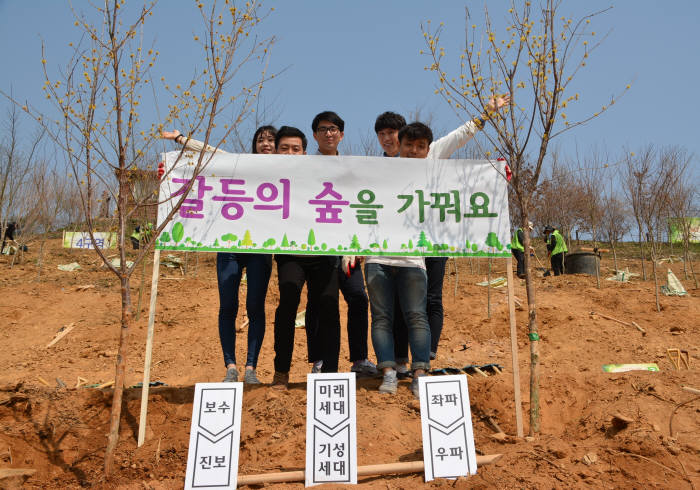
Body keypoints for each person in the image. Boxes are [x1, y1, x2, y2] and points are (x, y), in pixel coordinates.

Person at [377, 95, 511, 372]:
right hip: (401, 246)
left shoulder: (433, 153)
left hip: (435, 239)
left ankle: (426, 356)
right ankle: (402, 361)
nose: (413, 150)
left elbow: (460, 136)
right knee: (404, 304)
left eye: (418, 146)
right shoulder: (383, 167)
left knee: (431, 299)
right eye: (406, 144)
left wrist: (487, 112)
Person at [161, 125, 277, 384]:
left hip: (260, 248)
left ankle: (251, 369)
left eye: (271, 140)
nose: (266, 144)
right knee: (228, 306)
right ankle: (231, 366)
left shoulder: (283, 171)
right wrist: (181, 139)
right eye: (261, 139)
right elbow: (210, 153)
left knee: (255, 307)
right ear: (254, 144)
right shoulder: (239, 165)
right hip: (230, 245)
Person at [304, 111, 377, 378]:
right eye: (323, 129)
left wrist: (359, 246)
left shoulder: (352, 169)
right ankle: (321, 359)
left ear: (342, 134)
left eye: (333, 128)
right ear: (315, 135)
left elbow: (358, 205)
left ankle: (359, 359)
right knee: (321, 303)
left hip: (347, 250)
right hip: (316, 249)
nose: (328, 133)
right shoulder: (304, 166)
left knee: (358, 298)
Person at [270, 126, 342, 389]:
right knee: (288, 304)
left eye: (296, 148)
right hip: (290, 253)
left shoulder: (320, 172)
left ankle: (332, 373)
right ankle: (281, 372)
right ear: (275, 150)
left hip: (324, 253)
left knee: (329, 307)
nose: (290, 153)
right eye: (284, 148)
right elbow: (222, 164)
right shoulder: (265, 175)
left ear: (304, 151)